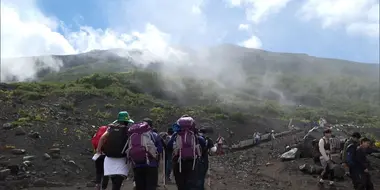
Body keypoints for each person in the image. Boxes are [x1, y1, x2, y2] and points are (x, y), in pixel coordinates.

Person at [96, 111, 134, 190]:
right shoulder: (128, 130)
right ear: (127, 121)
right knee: (118, 182)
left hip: (109, 159)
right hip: (122, 159)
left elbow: (102, 138)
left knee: (114, 180)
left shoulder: (111, 128)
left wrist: (98, 150)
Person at [167, 116, 206, 190]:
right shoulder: (196, 135)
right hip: (193, 163)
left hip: (179, 163)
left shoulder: (176, 135)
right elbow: (203, 144)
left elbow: (169, 146)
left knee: (181, 185)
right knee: (191, 185)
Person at [125, 120, 163, 190]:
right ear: (151, 126)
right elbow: (160, 150)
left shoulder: (134, 135)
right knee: (151, 186)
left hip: (137, 165)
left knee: (140, 187)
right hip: (151, 165)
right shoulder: (154, 135)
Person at [91, 125, 110, 190]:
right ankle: (104, 188)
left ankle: (97, 185)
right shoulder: (107, 136)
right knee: (106, 172)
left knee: (98, 171)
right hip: (106, 155)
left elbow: (94, 145)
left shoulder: (95, 136)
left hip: (98, 155)